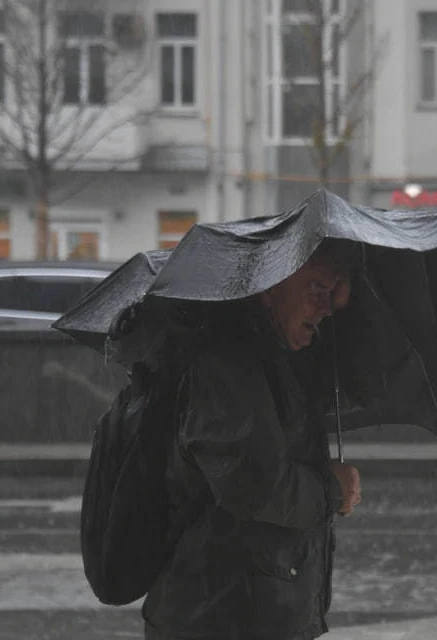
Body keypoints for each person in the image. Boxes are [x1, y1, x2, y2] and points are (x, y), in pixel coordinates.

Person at [142, 241, 362, 640]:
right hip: (223, 618)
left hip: (249, 612)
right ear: (268, 285)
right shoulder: (228, 365)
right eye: (316, 289)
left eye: (332, 295)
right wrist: (331, 489)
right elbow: (254, 486)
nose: (326, 308)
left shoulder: (271, 360)